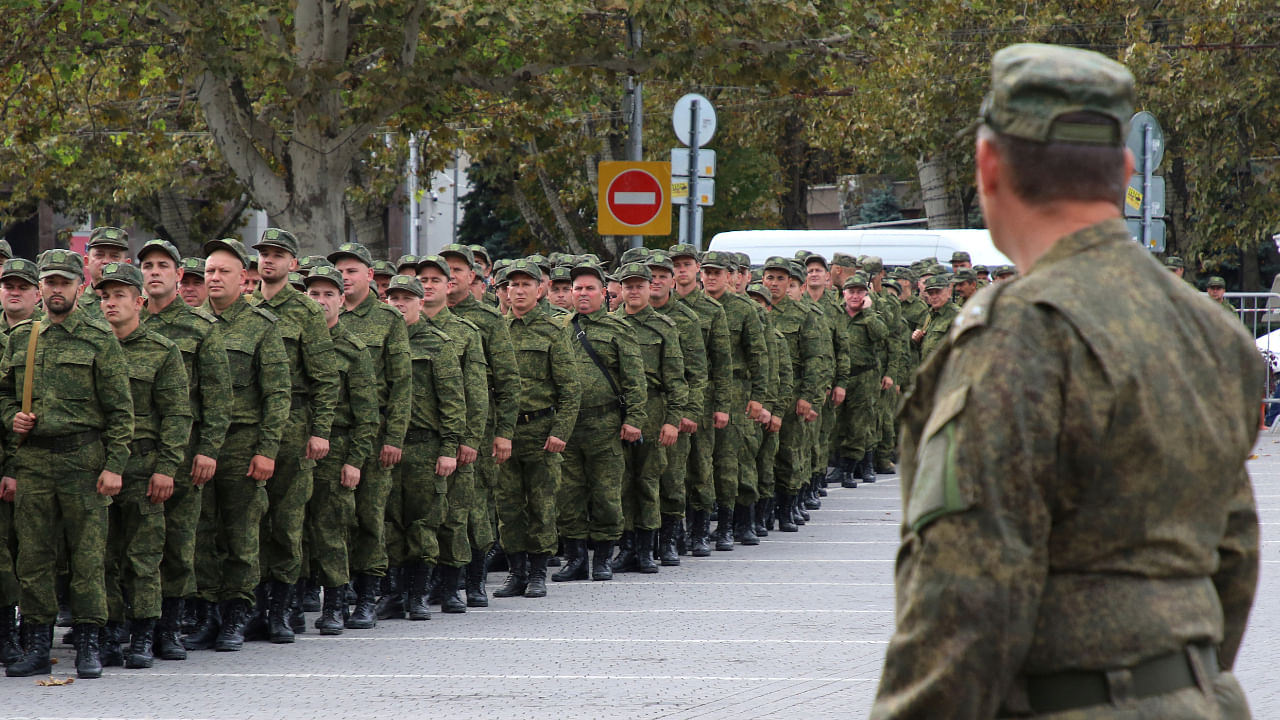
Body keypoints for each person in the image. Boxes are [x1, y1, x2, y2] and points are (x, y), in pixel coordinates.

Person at [872, 43, 1264, 719]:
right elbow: (1232, 554)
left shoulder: (1024, 333)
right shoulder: (1212, 330)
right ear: (1128, 168)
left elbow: (965, 602)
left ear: (988, 165)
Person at [1, 250, 134, 679]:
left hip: (84, 460)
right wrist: (11, 418)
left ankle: (90, 642)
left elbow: (120, 411)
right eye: (50, 282)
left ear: (81, 287)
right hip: (35, 460)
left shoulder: (98, 338)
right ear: (40, 290)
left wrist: (114, 465)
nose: (56, 290)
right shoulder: (23, 338)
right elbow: (3, 394)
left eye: (64, 282)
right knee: (35, 558)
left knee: (88, 556)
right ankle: (38, 643)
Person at [184, 238, 290, 653]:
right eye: (209, 271)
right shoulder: (190, 322)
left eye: (223, 271)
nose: (213, 278)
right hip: (199, 444)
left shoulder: (262, 326)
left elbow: (277, 394)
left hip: (243, 444)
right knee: (201, 532)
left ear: (243, 278)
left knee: (242, 533)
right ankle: (207, 613)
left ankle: (236, 614)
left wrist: (266, 450)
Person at [137, 239, 232, 662]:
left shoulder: (200, 328)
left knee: (178, 544)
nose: (154, 272)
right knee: (131, 544)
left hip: (183, 453)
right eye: (147, 265)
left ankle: (170, 628)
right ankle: (136, 625)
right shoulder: (121, 322)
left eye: (163, 265)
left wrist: (208, 449)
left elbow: (217, 397)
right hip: (131, 454)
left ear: (179, 275)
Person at [95, 262, 192, 669]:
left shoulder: (162, 350)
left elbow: (176, 415)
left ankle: (143, 632)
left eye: (119, 295)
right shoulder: (92, 347)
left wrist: (167, 467)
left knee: (144, 554)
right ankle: (112, 629)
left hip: (144, 465)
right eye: (104, 296)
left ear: (139, 302)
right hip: (97, 466)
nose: (110, 303)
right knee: (103, 555)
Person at [248, 228, 340, 643]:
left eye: (277, 255)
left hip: (295, 428)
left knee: (286, 523)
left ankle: (283, 610)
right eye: (264, 254)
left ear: (293, 264)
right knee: (250, 522)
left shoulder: (305, 312)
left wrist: (320, 431)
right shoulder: (245, 308)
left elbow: (324, 379)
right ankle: (251, 605)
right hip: (252, 428)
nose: (269, 260)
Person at [328, 242, 411, 630]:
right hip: (330, 435)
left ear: (368, 276)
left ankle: (367, 596)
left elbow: (401, 384)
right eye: (339, 272)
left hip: (373, 435)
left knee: (368, 517)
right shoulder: (323, 315)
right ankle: (337, 594)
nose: (345, 278)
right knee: (332, 519)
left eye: (351, 271)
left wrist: (394, 437)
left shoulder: (388, 319)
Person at [441, 243, 519, 608]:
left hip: (480, 430)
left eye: (459, 270)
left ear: (472, 276)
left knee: (475, 507)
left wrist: (503, 433)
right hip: (438, 429)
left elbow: (506, 382)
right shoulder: (422, 318)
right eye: (446, 270)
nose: (452, 276)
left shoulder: (487, 322)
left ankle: (474, 580)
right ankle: (440, 581)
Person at [302, 265, 379, 635]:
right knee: (290, 528)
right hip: (296, 447)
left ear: (342, 300)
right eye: (314, 294)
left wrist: (354, 460)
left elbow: (367, 415)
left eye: (328, 294)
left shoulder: (353, 349)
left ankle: (334, 603)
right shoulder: (291, 342)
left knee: (331, 527)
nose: (320, 301)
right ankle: (288, 602)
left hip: (337, 447)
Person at [383, 274, 466, 617]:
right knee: (389, 522)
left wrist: (449, 448)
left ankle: (418, 594)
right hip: (387, 447)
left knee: (423, 523)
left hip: (423, 447)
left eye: (406, 298)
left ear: (421, 302)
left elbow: (452, 400)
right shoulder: (381, 342)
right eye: (393, 297)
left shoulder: (437, 343)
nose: (399, 303)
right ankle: (394, 594)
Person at [557, 263, 645, 581]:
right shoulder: (560, 329)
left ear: (604, 293)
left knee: (607, 494)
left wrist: (634, 419)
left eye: (589, 288)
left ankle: (604, 556)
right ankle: (575, 558)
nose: (582, 293)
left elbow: (635, 381)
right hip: (567, 427)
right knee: (568, 495)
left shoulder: (619, 330)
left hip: (605, 425)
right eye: (577, 288)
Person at [498, 261, 581, 594]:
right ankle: (515, 571)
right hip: (505, 432)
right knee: (507, 504)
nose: (518, 290)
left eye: (525, 285)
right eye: (512, 285)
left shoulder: (553, 330)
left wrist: (560, 431)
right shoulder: (497, 330)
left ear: (540, 290)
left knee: (542, 503)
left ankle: (536, 572)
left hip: (541, 429)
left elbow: (570, 387)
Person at [417, 256, 489, 611]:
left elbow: (476, 393)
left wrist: (469, 440)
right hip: (412, 440)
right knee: (417, 515)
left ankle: (452, 586)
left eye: (435, 279)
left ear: (449, 286)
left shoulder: (465, 333)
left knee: (455, 515)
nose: (428, 285)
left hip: (453, 440)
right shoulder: (400, 329)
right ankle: (416, 586)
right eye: (422, 279)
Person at [610, 263, 686, 574]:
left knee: (648, 479)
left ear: (649, 287)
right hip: (616, 411)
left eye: (639, 285)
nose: (633, 290)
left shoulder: (664, 327)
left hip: (654, 410)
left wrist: (673, 419)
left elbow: (676, 379)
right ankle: (625, 545)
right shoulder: (608, 324)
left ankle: (646, 547)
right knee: (621, 481)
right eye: (628, 285)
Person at [696, 251, 769, 551]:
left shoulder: (744, 309)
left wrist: (759, 398)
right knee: (701, 463)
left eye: (718, 272)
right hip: (701, 390)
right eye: (708, 272)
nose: (712, 277)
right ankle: (699, 526)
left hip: (737, 390)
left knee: (734, 461)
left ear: (731, 276)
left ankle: (735, 523)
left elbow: (759, 355)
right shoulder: (693, 308)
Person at [668, 245, 733, 557]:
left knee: (699, 466)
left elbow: (721, 364)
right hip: (668, 399)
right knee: (669, 468)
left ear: (697, 269)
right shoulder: (660, 307)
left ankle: (699, 531)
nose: (681, 270)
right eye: (676, 265)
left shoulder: (711, 310)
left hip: (702, 399)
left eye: (686, 264)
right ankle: (674, 531)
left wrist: (721, 405)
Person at [78, 226, 131, 318]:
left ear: (127, 264)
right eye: (99, 255)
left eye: (114, 256)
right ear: (86, 262)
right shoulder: (75, 306)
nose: (106, 261)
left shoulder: (138, 305)